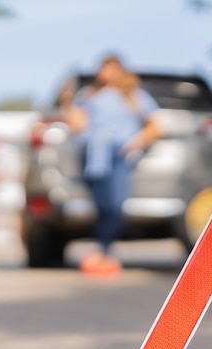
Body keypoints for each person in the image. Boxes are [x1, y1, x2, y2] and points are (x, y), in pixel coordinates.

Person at [60, 55, 162, 275]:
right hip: (93, 154)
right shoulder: (88, 96)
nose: (105, 71)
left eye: (110, 66)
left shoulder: (134, 96)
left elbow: (155, 126)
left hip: (119, 154)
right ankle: (104, 251)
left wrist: (135, 141)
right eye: (102, 66)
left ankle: (105, 249)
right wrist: (67, 102)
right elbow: (78, 125)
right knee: (102, 206)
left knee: (115, 206)